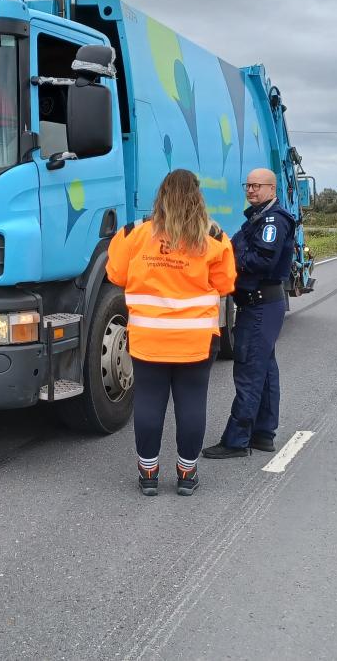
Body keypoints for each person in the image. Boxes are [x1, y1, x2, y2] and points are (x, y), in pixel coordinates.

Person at [106, 169, 237, 496]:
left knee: (149, 403)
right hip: (197, 340)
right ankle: (186, 474)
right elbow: (226, 285)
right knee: (192, 405)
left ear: (160, 196)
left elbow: (115, 274)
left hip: (149, 339)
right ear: (198, 197)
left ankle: (148, 475)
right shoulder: (214, 239)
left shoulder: (134, 234)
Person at [203, 168, 296, 459]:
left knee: (248, 372)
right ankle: (263, 433)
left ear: (272, 188)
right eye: (248, 185)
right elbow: (235, 247)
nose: (251, 190)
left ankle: (236, 440)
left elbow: (261, 260)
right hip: (259, 305)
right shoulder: (255, 219)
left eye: (257, 186)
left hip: (260, 306)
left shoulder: (272, 221)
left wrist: (231, 259)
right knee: (264, 371)